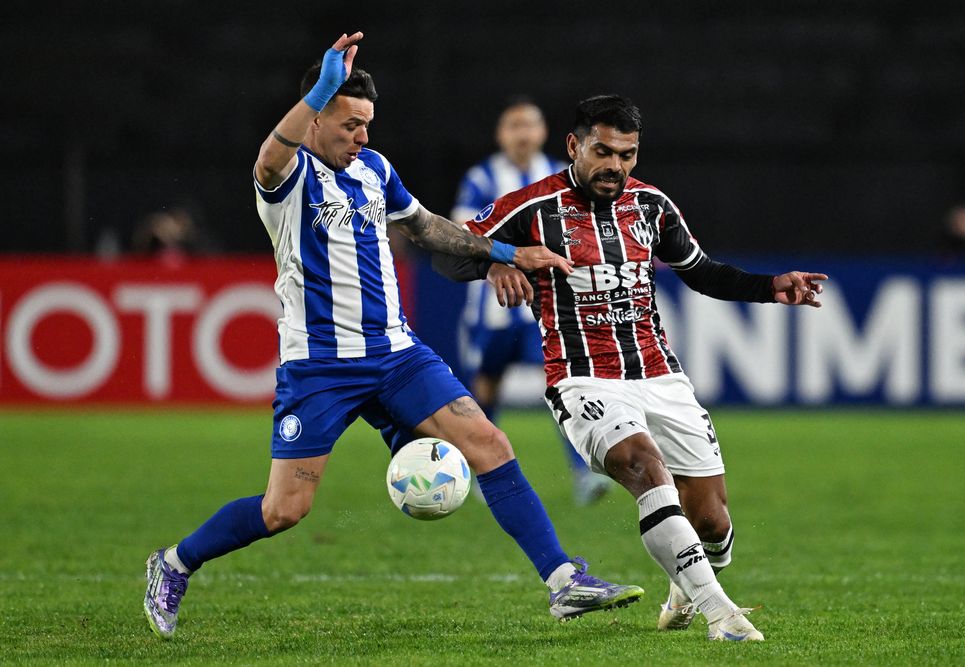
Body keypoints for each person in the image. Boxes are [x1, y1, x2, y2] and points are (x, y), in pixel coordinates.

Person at [142, 34, 644, 640]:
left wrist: (506, 252)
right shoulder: (289, 178)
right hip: (321, 368)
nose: (363, 136)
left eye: (368, 124)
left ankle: (564, 580)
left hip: (397, 354)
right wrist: (322, 88)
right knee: (283, 511)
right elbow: (268, 158)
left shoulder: (376, 171)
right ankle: (174, 563)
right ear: (318, 115)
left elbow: (431, 229)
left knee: (490, 444)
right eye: (351, 123)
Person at [434, 94, 830, 642]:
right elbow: (446, 254)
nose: (615, 166)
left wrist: (769, 287)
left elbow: (702, 272)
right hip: (581, 377)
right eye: (603, 151)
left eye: (627, 154)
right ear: (574, 146)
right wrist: (497, 258)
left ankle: (685, 586)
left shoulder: (652, 206)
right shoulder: (529, 207)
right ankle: (723, 616)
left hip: (660, 375)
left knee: (712, 521)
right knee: (644, 466)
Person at [451, 97, 611, 505]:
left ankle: (585, 474)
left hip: (549, 303)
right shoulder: (482, 176)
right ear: (501, 135)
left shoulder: (561, 176)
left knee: (563, 384)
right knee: (486, 388)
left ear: (542, 132)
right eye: (513, 126)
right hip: (494, 304)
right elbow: (458, 231)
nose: (522, 134)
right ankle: (484, 474)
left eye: (529, 125)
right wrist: (506, 256)